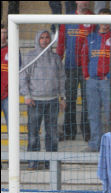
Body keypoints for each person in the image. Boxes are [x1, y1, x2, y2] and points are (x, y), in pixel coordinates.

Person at [81, 8, 111, 152]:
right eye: (102, 19)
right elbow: (84, 57)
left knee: (110, 113)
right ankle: (95, 143)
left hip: (108, 81)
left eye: (108, 19)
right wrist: (86, 75)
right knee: (93, 113)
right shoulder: (91, 37)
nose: (105, 23)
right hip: (92, 81)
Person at [20, 30, 66, 170]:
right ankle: (33, 162)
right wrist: (27, 95)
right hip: (35, 101)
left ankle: (50, 163)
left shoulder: (55, 58)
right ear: (37, 40)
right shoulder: (30, 57)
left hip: (52, 101)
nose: (45, 40)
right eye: (42, 38)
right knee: (33, 133)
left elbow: (62, 78)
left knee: (52, 134)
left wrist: (62, 97)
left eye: (47, 38)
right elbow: (23, 77)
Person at [57, 1, 94, 141]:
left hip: (89, 68)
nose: (84, 2)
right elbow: (61, 43)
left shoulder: (95, 19)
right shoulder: (67, 19)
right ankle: (69, 131)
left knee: (87, 101)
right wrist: (58, 62)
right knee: (70, 100)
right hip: (70, 67)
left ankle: (86, 132)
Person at [1, 25, 9, 126]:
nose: (3, 35)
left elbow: (19, 69)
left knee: (11, 123)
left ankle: (12, 142)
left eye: (5, 32)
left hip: (8, 94)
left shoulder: (12, 49)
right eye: (1, 32)